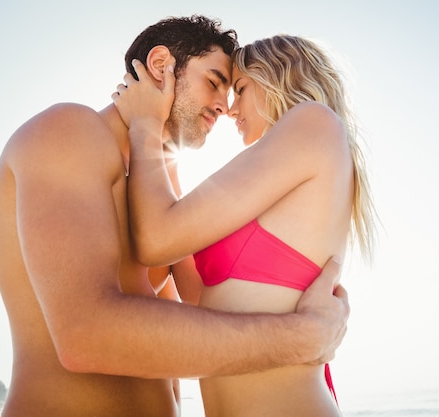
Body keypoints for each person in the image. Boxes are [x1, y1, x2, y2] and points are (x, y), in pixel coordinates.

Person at [0, 16, 350, 417]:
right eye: (214, 82)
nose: (224, 107)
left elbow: (205, 318)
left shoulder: (159, 192)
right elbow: (86, 334)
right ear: (161, 66)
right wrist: (299, 337)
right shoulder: (69, 130)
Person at [113, 34, 375, 416]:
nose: (230, 110)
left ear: (278, 77)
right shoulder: (282, 179)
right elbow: (198, 294)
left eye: (240, 88)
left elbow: (156, 239)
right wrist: (168, 136)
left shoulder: (313, 122)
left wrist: (145, 124)